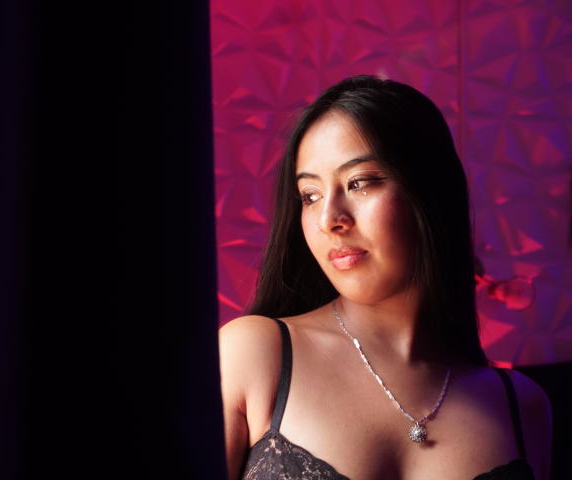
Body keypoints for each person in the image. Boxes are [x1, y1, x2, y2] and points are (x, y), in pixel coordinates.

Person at [218, 74, 552, 480]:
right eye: (310, 196)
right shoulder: (253, 355)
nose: (329, 219)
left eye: (359, 183)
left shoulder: (520, 407)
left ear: (428, 191)